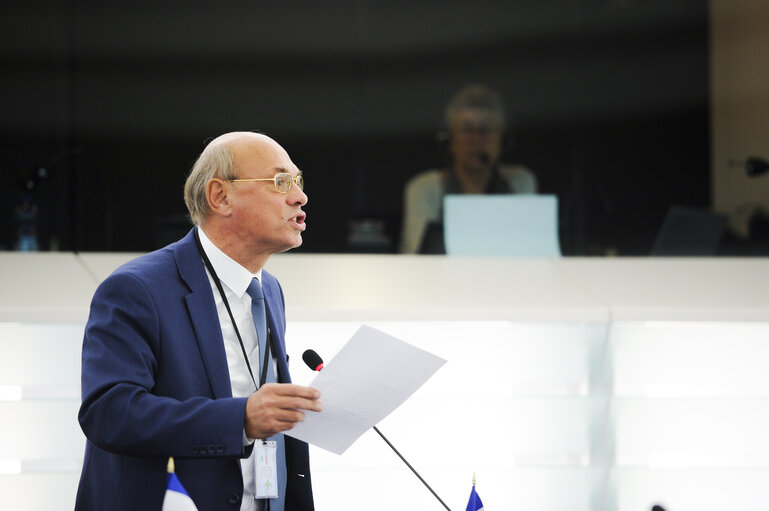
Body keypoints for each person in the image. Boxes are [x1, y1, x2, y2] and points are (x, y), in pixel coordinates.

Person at [75, 132, 322, 511]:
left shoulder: (269, 289)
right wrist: (239, 419)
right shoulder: (136, 289)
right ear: (220, 197)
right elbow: (109, 412)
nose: (299, 196)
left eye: (298, 181)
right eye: (279, 182)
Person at [399, 84, 538, 254]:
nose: (476, 139)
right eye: (466, 130)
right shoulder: (425, 188)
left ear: (502, 141)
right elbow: (421, 254)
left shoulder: (518, 182)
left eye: (485, 130)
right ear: (449, 140)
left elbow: (528, 251)